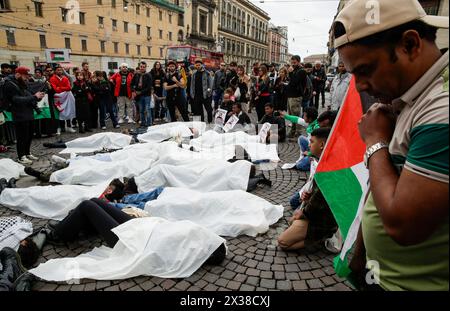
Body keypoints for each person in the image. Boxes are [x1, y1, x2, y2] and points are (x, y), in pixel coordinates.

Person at [333, 0, 449, 291]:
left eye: (366, 70)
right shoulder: (413, 93)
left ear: (410, 45)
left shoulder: (443, 107)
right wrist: (361, 253)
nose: (359, 86)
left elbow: (402, 225)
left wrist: (374, 142)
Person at [278, 128, 337, 250]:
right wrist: (308, 196)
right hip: (317, 213)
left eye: (312, 141)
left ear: (321, 145)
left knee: (283, 242)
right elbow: (318, 193)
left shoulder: (328, 168)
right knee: (292, 219)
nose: (309, 145)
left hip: (323, 219)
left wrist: (303, 213)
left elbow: (321, 201)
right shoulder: (323, 161)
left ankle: (323, 238)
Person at [2, 67, 44, 164]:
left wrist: (38, 97)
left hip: (28, 112)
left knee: (29, 135)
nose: (26, 78)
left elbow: (27, 95)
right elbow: (16, 100)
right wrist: (34, 97)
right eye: (25, 76)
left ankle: (27, 152)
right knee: (22, 136)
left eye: (28, 76)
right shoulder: (9, 84)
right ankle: (21, 156)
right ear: (18, 74)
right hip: (18, 113)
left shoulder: (22, 82)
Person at [286, 55, 308, 138]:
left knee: (296, 115)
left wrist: (291, 73)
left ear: (298, 62)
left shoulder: (301, 71)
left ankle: (298, 133)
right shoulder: (295, 70)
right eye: (292, 62)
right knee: (291, 115)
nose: (293, 64)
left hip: (296, 96)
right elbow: (291, 82)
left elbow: (295, 82)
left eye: (294, 62)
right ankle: (292, 131)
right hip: (290, 95)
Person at [131, 62, 153, 128]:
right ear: (139, 67)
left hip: (146, 95)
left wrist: (140, 92)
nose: (142, 68)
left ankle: (149, 124)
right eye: (141, 66)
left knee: (148, 109)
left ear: (146, 67)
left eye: (143, 67)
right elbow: (131, 84)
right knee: (141, 110)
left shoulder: (148, 75)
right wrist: (133, 91)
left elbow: (149, 87)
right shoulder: (136, 75)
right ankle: (143, 123)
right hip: (139, 96)